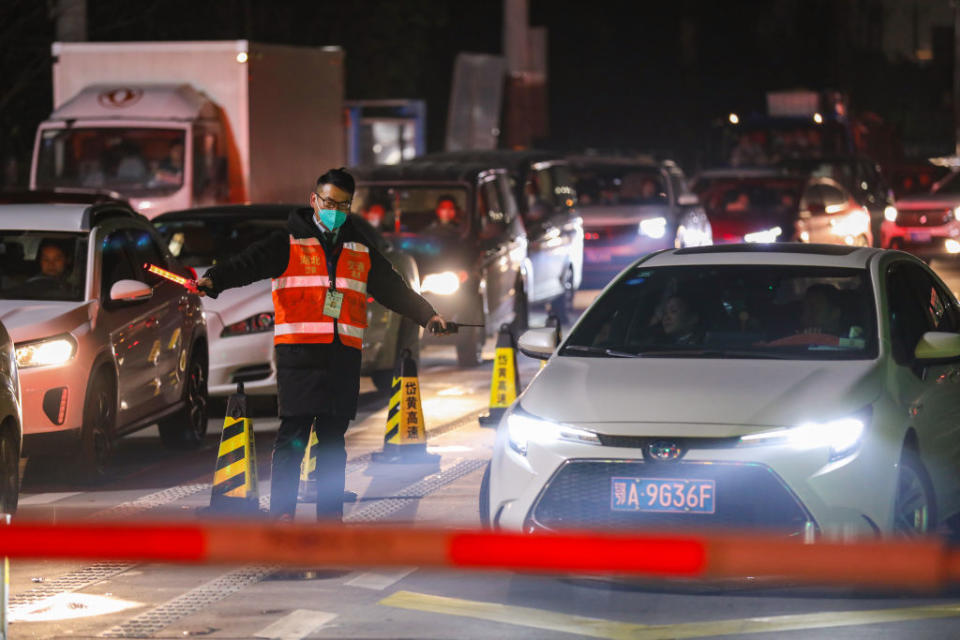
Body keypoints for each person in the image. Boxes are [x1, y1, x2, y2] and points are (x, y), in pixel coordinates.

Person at [196, 168, 447, 522]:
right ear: (313, 200)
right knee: (293, 435)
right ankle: (283, 516)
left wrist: (428, 315)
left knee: (333, 440)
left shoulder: (360, 247)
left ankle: (330, 520)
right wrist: (215, 281)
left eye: (343, 205)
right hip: (298, 352)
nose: (334, 210)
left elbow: (393, 288)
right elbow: (246, 264)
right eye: (328, 202)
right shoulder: (287, 242)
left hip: (342, 354)